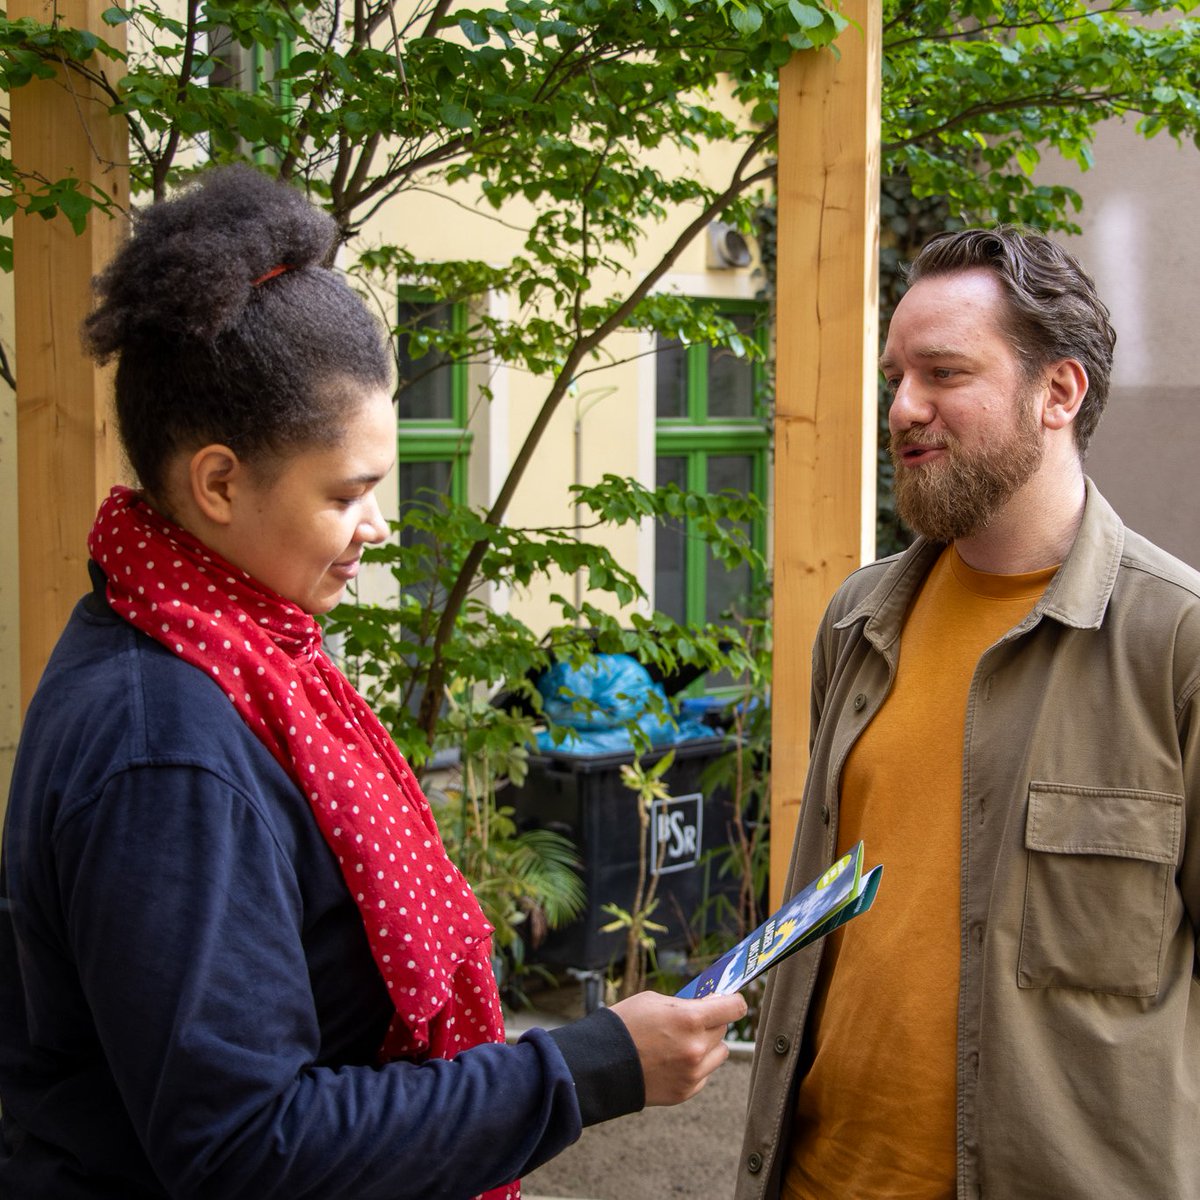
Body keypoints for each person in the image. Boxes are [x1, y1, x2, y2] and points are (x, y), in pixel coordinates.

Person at [0, 165, 746, 1200]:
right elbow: (247, 1148)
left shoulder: (234, 654)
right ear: (218, 483)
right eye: (346, 493)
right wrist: (588, 1069)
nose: (376, 526)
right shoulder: (165, 747)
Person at [737, 226, 1200, 1200]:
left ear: (1059, 393)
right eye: (896, 374)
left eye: (943, 372)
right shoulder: (859, 622)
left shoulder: (1176, 645)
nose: (902, 407)